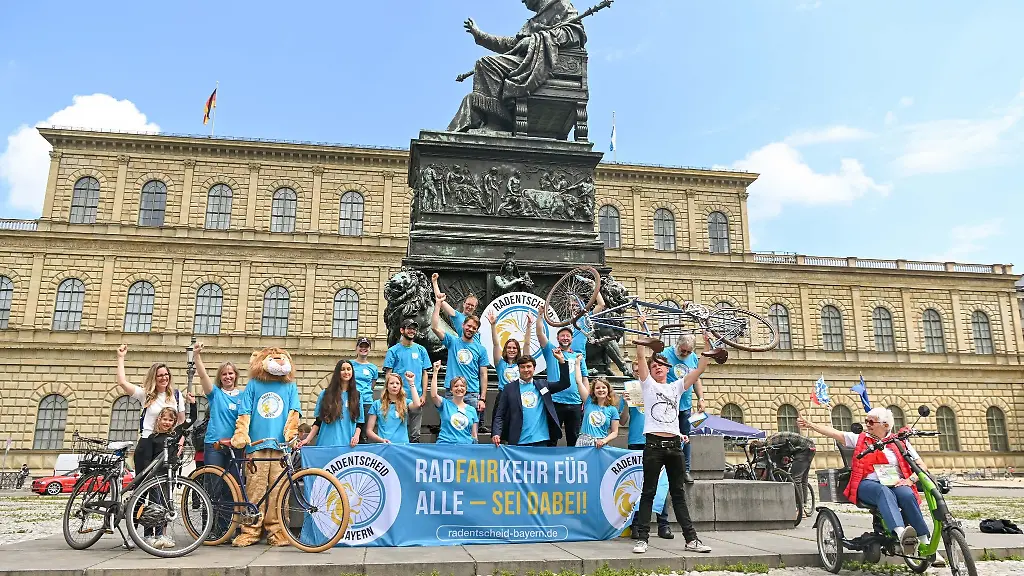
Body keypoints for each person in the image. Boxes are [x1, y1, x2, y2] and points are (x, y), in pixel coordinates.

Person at [631, 329, 717, 555]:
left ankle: (691, 539)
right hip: (653, 446)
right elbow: (640, 357)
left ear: (668, 369)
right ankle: (642, 539)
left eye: (661, 365)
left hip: (675, 447)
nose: (658, 367)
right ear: (650, 371)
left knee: (678, 493)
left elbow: (699, 369)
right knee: (648, 492)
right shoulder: (648, 386)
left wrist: (706, 344)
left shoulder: (676, 387)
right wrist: (642, 335)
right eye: (654, 366)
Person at [799, 408, 928, 555]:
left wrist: (910, 480)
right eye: (866, 421)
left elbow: (921, 465)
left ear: (885, 425)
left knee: (907, 495)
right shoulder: (860, 439)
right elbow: (835, 433)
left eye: (871, 421)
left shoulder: (899, 441)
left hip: (895, 483)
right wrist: (810, 425)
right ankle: (901, 535)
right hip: (868, 485)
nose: (867, 425)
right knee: (883, 491)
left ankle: (926, 543)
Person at [448, 0, 586, 133]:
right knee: (484, 64)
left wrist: (535, 40)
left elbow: (575, 34)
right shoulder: (532, 21)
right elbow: (513, 44)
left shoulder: (561, 4)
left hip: (546, 63)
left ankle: (497, 122)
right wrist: (481, 36)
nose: (522, 1)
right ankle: (483, 118)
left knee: (487, 64)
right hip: (530, 61)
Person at [620, 360, 672, 539]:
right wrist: (626, 403)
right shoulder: (630, 390)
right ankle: (636, 524)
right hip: (636, 441)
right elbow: (622, 421)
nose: (637, 372)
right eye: (634, 371)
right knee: (637, 486)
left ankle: (663, 524)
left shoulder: (658, 388)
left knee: (661, 484)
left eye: (639, 370)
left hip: (658, 440)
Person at [491, 350, 573, 447]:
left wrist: (561, 361)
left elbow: (565, 383)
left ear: (534, 368)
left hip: (541, 440)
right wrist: (496, 433)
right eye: (522, 367)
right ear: (518, 369)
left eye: (529, 366)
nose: (526, 370)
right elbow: (500, 414)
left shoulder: (543, 385)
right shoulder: (509, 388)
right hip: (518, 441)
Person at [432, 293, 490, 421]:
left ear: (477, 331)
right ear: (462, 325)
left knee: (472, 430)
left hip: (472, 394)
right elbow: (435, 327)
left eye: (474, 328)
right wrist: (437, 304)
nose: (470, 329)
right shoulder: (452, 342)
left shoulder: (481, 349)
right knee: (450, 424)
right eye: (468, 326)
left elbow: (483, 374)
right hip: (452, 391)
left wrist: (482, 398)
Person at [537, 310, 588, 447]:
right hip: (555, 402)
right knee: (551, 438)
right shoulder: (551, 351)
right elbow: (540, 334)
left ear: (571, 339)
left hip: (575, 403)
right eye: (562, 336)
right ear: (558, 339)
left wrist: (586, 400)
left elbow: (584, 379)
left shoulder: (578, 356)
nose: (565, 338)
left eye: (568, 336)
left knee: (574, 439)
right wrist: (540, 316)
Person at [192, 343, 243, 480]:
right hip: (215, 445)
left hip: (235, 445)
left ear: (236, 375)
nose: (228, 377)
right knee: (213, 484)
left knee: (233, 486)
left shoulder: (243, 396)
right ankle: (211, 503)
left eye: (230, 373)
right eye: (224, 374)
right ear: (220, 377)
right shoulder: (215, 393)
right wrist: (196, 356)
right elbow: (203, 377)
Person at [661, 334, 706, 484]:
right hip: (667, 404)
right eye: (683, 350)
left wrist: (701, 398)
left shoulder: (693, 357)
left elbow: (696, 379)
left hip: (685, 405)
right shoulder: (665, 354)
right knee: (666, 436)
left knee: (686, 438)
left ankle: (685, 470)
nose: (685, 354)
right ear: (677, 345)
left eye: (688, 351)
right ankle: (664, 470)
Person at [115, 345, 187, 438]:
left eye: (166, 374)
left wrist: (180, 443)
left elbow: (181, 422)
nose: (164, 378)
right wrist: (121, 357)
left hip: (169, 441)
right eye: (160, 375)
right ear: (153, 378)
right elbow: (122, 382)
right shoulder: (145, 394)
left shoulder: (176, 395)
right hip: (148, 439)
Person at [133, 406, 179, 549]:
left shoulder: (173, 437)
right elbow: (147, 459)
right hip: (154, 477)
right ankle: (148, 535)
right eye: (164, 419)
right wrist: (149, 476)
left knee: (163, 507)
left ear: (174, 422)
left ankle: (159, 534)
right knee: (152, 506)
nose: (167, 422)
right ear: (159, 419)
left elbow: (173, 458)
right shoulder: (153, 438)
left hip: (167, 476)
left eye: (170, 420)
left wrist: (193, 405)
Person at [383, 319, 431, 443]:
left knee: (415, 434)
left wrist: (424, 394)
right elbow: (388, 374)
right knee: (397, 432)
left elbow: (425, 373)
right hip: (398, 398)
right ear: (402, 330)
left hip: (416, 397)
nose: (412, 331)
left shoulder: (421, 350)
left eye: (414, 329)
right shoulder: (393, 351)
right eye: (409, 328)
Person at [487, 310, 534, 436]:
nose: (511, 350)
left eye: (514, 348)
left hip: (518, 395)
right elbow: (496, 344)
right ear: (505, 349)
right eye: (509, 347)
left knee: (515, 427)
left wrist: (529, 325)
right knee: (500, 426)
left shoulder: (521, 364)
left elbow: (527, 343)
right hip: (502, 395)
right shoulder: (500, 363)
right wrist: (493, 325)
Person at [300, 360, 363, 448]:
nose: (346, 372)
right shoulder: (325, 394)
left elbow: (359, 423)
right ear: (338, 372)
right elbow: (318, 421)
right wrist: (307, 439)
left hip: (347, 446)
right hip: (326, 444)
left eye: (349, 369)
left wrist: (356, 437)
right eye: (342, 369)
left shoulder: (357, 396)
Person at [763, 430, 817, 523]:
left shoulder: (768, 443)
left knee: (796, 478)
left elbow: (771, 458)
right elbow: (785, 449)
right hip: (810, 447)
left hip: (803, 450)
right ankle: (803, 506)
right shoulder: (773, 439)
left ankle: (800, 509)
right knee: (803, 479)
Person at [429, 361, 479, 445]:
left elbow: (474, 435)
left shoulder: (472, 410)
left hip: (465, 449)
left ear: (466, 389)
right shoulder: (445, 404)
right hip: (445, 446)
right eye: (456, 386)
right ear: (451, 390)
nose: (459, 388)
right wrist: (435, 372)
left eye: (462, 386)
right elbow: (434, 395)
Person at [367, 372, 423, 444]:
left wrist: (411, 383)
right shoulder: (377, 404)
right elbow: (369, 431)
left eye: (397, 383)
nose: (395, 386)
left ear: (400, 386)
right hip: (384, 445)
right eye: (391, 383)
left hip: (402, 445)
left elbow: (417, 404)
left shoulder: (406, 402)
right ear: (386, 386)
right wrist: (381, 440)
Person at [431, 273, 481, 343]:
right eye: (468, 304)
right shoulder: (457, 315)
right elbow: (441, 301)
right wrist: (435, 282)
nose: (469, 307)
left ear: (475, 307)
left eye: (472, 305)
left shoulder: (476, 321)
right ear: (463, 304)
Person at [576, 377, 619, 448]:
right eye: (597, 388)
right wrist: (577, 365)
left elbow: (615, 432)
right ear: (593, 391)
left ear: (608, 390)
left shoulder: (613, 410)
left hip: (600, 444)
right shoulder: (588, 402)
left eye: (604, 387)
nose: (601, 390)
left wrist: (604, 441)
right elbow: (579, 382)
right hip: (583, 442)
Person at [352, 338, 380, 441]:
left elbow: (372, 385)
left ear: (369, 349)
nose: (363, 349)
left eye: (366, 347)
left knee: (364, 432)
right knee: (352, 430)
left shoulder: (373, 368)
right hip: (353, 400)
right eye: (361, 346)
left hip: (367, 402)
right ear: (356, 348)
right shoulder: (350, 364)